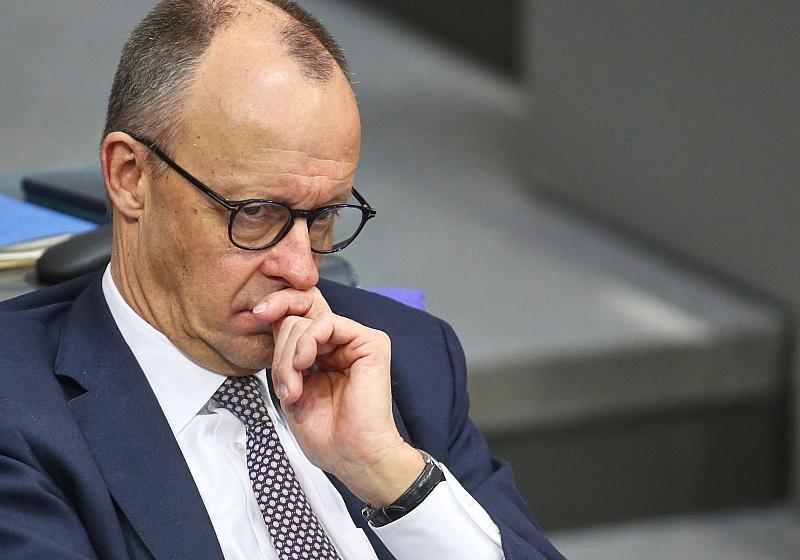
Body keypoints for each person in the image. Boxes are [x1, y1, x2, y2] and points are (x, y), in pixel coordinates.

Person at [0, 1, 564, 559]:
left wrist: (394, 480)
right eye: (254, 213)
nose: (301, 270)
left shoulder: (410, 362)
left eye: (323, 216)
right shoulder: (18, 408)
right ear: (130, 178)